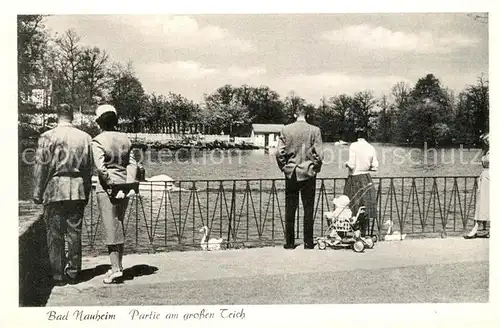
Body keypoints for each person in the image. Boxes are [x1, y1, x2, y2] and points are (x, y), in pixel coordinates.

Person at [33, 104, 93, 286]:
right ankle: (74, 273)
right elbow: (89, 169)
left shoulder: (47, 136)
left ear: (57, 115)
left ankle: (58, 275)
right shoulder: (85, 138)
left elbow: (40, 167)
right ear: (72, 116)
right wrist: (87, 190)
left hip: (55, 188)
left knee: (54, 233)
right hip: (77, 188)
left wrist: (37, 191)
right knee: (74, 232)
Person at [92, 104, 138, 284]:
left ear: (99, 122)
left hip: (107, 189)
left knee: (110, 226)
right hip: (125, 188)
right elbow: (132, 163)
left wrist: (110, 185)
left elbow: (101, 168)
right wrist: (128, 184)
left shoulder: (98, 140)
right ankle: (119, 265)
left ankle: (116, 269)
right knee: (119, 223)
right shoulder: (126, 139)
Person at [276, 106, 323, 249]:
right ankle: (308, 242)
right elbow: (319, 155)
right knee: (308, 209)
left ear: (294, 114)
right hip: (308, 173)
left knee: (290, 209)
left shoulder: (286, 129)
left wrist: (284, 167)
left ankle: (289, 243)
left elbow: (279, 152)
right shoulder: (315, 130)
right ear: (306, 115)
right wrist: (315, 168)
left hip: (291, 173)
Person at [343, 128, 378, 238]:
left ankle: (354, 232)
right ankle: (363, 232)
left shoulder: (353, 146)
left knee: (353, 204)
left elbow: (352, 164)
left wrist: (346, 164)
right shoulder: (371, 147)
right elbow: (375, 166)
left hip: (355, 178)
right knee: (365, 206)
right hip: (366, 178)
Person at [465, 133, 490, 239]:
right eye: (485, 140)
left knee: (488, 203)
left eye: (488, 140)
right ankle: (477, 228)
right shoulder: (487, 151)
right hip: (484, 177)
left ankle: (477, 228)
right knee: (481, 203)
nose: (486, 142)